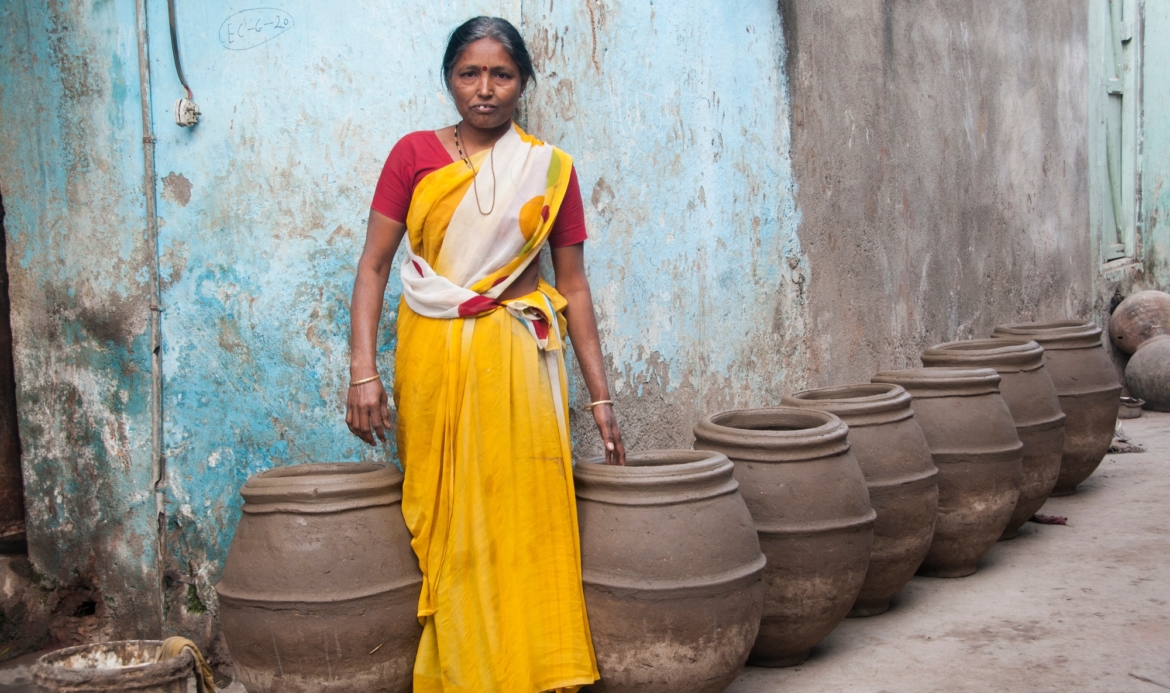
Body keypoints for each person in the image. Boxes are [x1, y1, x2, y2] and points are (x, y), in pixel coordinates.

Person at [345, 16, 625, 693]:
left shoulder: (549, 168)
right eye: (470, 73)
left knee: (524, 512)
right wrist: (362, 370)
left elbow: (574, 285)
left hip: (520, 359)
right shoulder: (413, 155)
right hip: (435, 355)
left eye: (501, 74)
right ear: (449, 79)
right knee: (453, 523)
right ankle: (468, 669)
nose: (485, 89)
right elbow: (374, 266)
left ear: (523, 82)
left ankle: (536, 668)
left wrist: (601, 395)